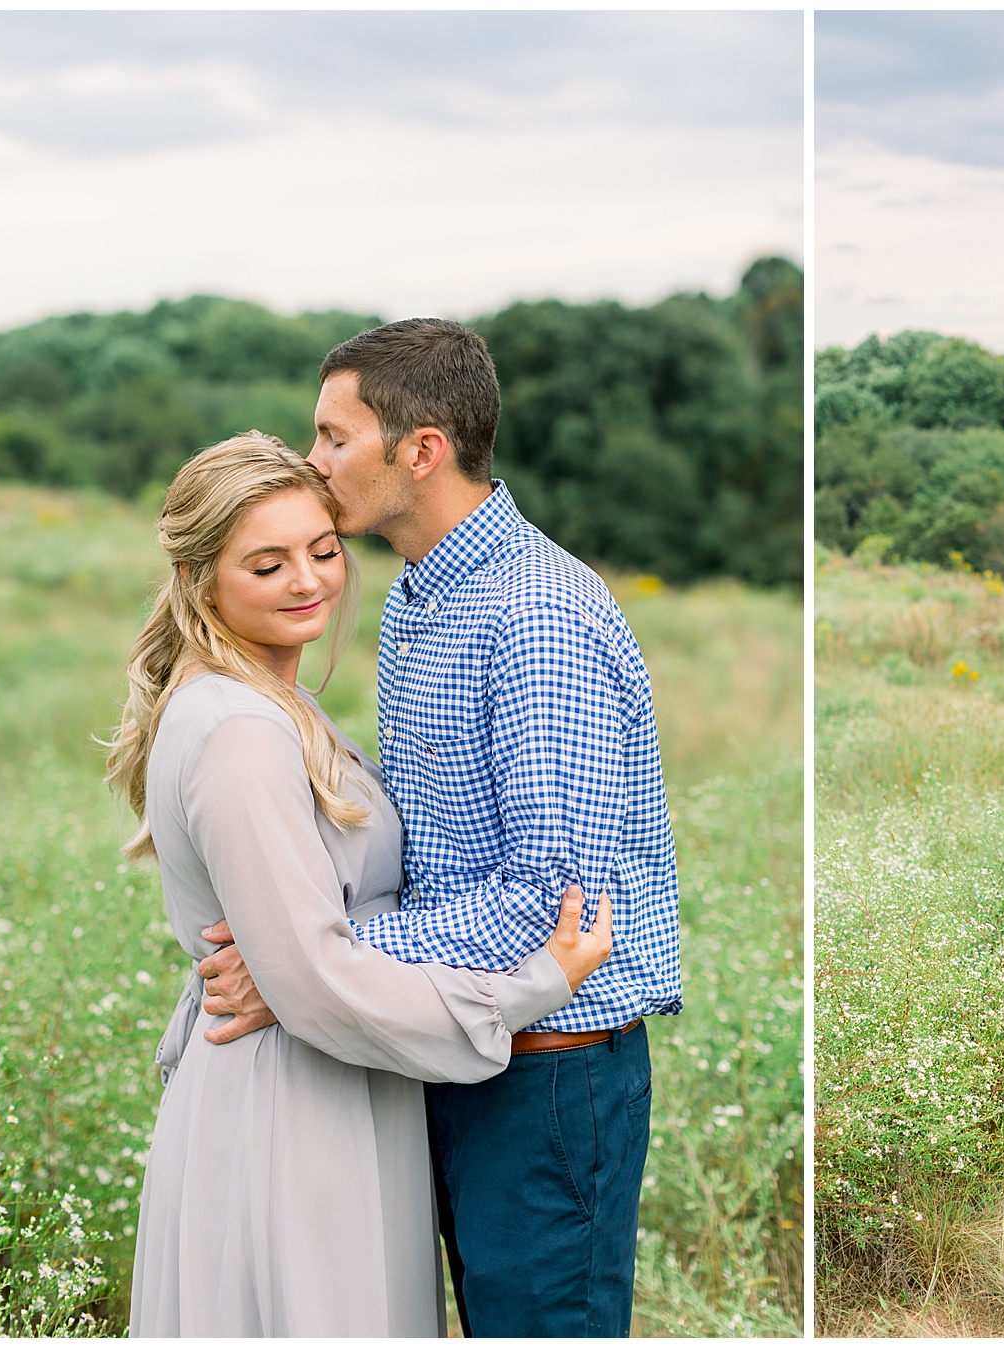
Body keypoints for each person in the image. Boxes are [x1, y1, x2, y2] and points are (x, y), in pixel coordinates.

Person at [200, 320, 683, 1337]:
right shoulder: (424, 596)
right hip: (458, 1040)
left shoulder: (534, 616)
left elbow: (550, 907)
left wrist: (310, 960)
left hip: (550, 1069)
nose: (312, 460)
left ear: (418, 450)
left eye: (334, 437)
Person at [108, 433, 613, 1336]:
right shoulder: (239, 733)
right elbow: (312, 977)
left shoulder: (266, 699)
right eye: (267, 563)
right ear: (199, 578)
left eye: (323, 550)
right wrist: (536, 985)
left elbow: (303, 963)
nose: (308, 580)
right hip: (295, 1110)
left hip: (337, 1081)